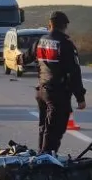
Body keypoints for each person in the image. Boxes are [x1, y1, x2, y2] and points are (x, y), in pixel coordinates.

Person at [30, 11, 87, 156]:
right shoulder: (65, 44)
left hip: (42, 91)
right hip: (57, 93)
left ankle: (41, 155)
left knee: (44, 127)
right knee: (54, 129)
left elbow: (25, 57)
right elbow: (74, 72)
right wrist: (80, 97)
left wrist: (16, 60)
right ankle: (46, 160)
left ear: (50, 24)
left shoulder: (41, 41)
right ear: (64, 26)